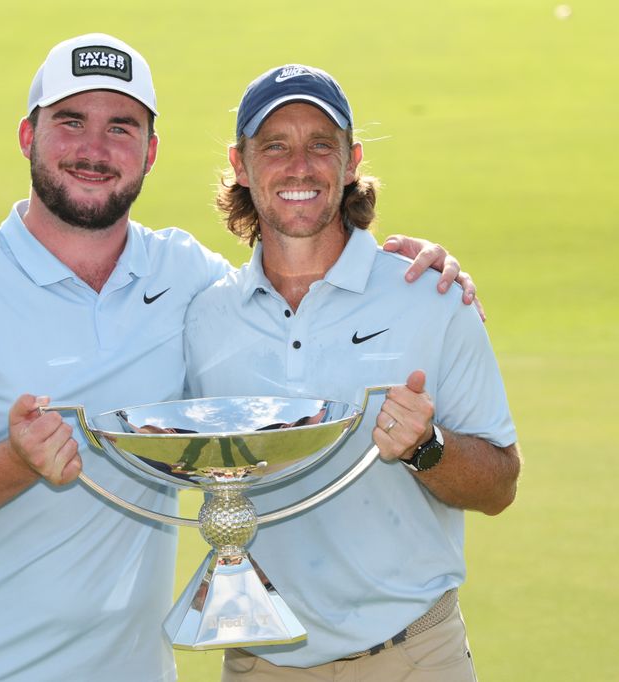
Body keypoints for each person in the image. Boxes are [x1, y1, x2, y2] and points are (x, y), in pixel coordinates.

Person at [0, 34, 482, 682]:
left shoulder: (185, 276)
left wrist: (411, 268)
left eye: (121, 127)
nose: (94, 150)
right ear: (29, 136)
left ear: (150, 151)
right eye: (71, 123)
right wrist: (14, 460)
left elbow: (287, 293)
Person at [183, 64, 522, 681]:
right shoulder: (205, 316)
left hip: (415, 656)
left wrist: (428, 449)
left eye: (321, 145)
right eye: (275, 147)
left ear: (351, 160)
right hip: (261, 663)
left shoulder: (430, 295)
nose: (300, 166)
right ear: (240, 164)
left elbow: (500, 485)